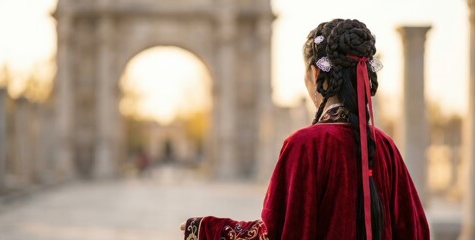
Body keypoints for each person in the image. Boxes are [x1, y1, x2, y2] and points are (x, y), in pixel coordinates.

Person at [180, 18, 429, 240]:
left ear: (315, 72)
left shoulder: (305, 145)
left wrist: (208, 229)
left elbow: (278, 233)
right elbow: (415, 229)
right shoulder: (384, 145)